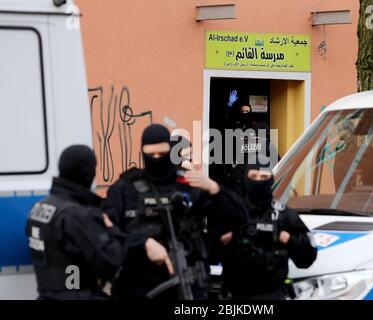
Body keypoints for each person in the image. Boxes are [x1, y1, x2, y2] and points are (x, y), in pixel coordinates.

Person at [105, 124, 243, 300]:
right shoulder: (125, 189)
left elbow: (239, 219)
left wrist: (215, 189)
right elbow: (105, 234)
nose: (156, 159)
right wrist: (142, 244)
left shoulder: (190, 183)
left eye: (162, 154)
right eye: (151, 155)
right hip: (138, 286)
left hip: (190, 284)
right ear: (142, 153)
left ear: (170, 151)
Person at [26, 145, 127, 300]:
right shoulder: (76, 215)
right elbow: (109, 262)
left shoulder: (40, 207)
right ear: (88, 173)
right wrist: (113, 230)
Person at [213, 155, 317, 300]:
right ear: (245, 179)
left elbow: (307, 259)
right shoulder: (232, 212)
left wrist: (286, 238)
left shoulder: (285, 215)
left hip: (272, 294)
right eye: (253, 176)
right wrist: (235, 235)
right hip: (235, 296)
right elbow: (209, 253)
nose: (258, 181)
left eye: (264, 176)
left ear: (271, 179)